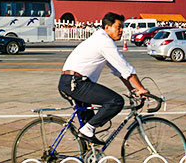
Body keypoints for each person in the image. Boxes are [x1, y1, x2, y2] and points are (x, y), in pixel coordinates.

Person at [59, 12, 148, 145]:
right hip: (76, 83)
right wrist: (141, 88)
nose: (122, 30)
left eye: (122, 27)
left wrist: (131, 88)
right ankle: (87, 131)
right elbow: (125, 67)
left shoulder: (99, 39)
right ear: (107, 27)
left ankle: (87, 154)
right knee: (116, 101)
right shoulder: (104, 41)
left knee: (89, 126)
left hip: (71, 82)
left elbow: (118, 70)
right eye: (119, 27)